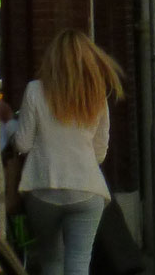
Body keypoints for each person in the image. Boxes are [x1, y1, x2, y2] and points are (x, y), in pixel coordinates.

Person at [14, 28, 124, 275]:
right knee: (79, 263)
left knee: (51, 260)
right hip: (87, 189)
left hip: (43, 187)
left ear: (52, 58)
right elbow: (100, 153)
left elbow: (22, 145)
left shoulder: (34, 90)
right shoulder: (97, 96)